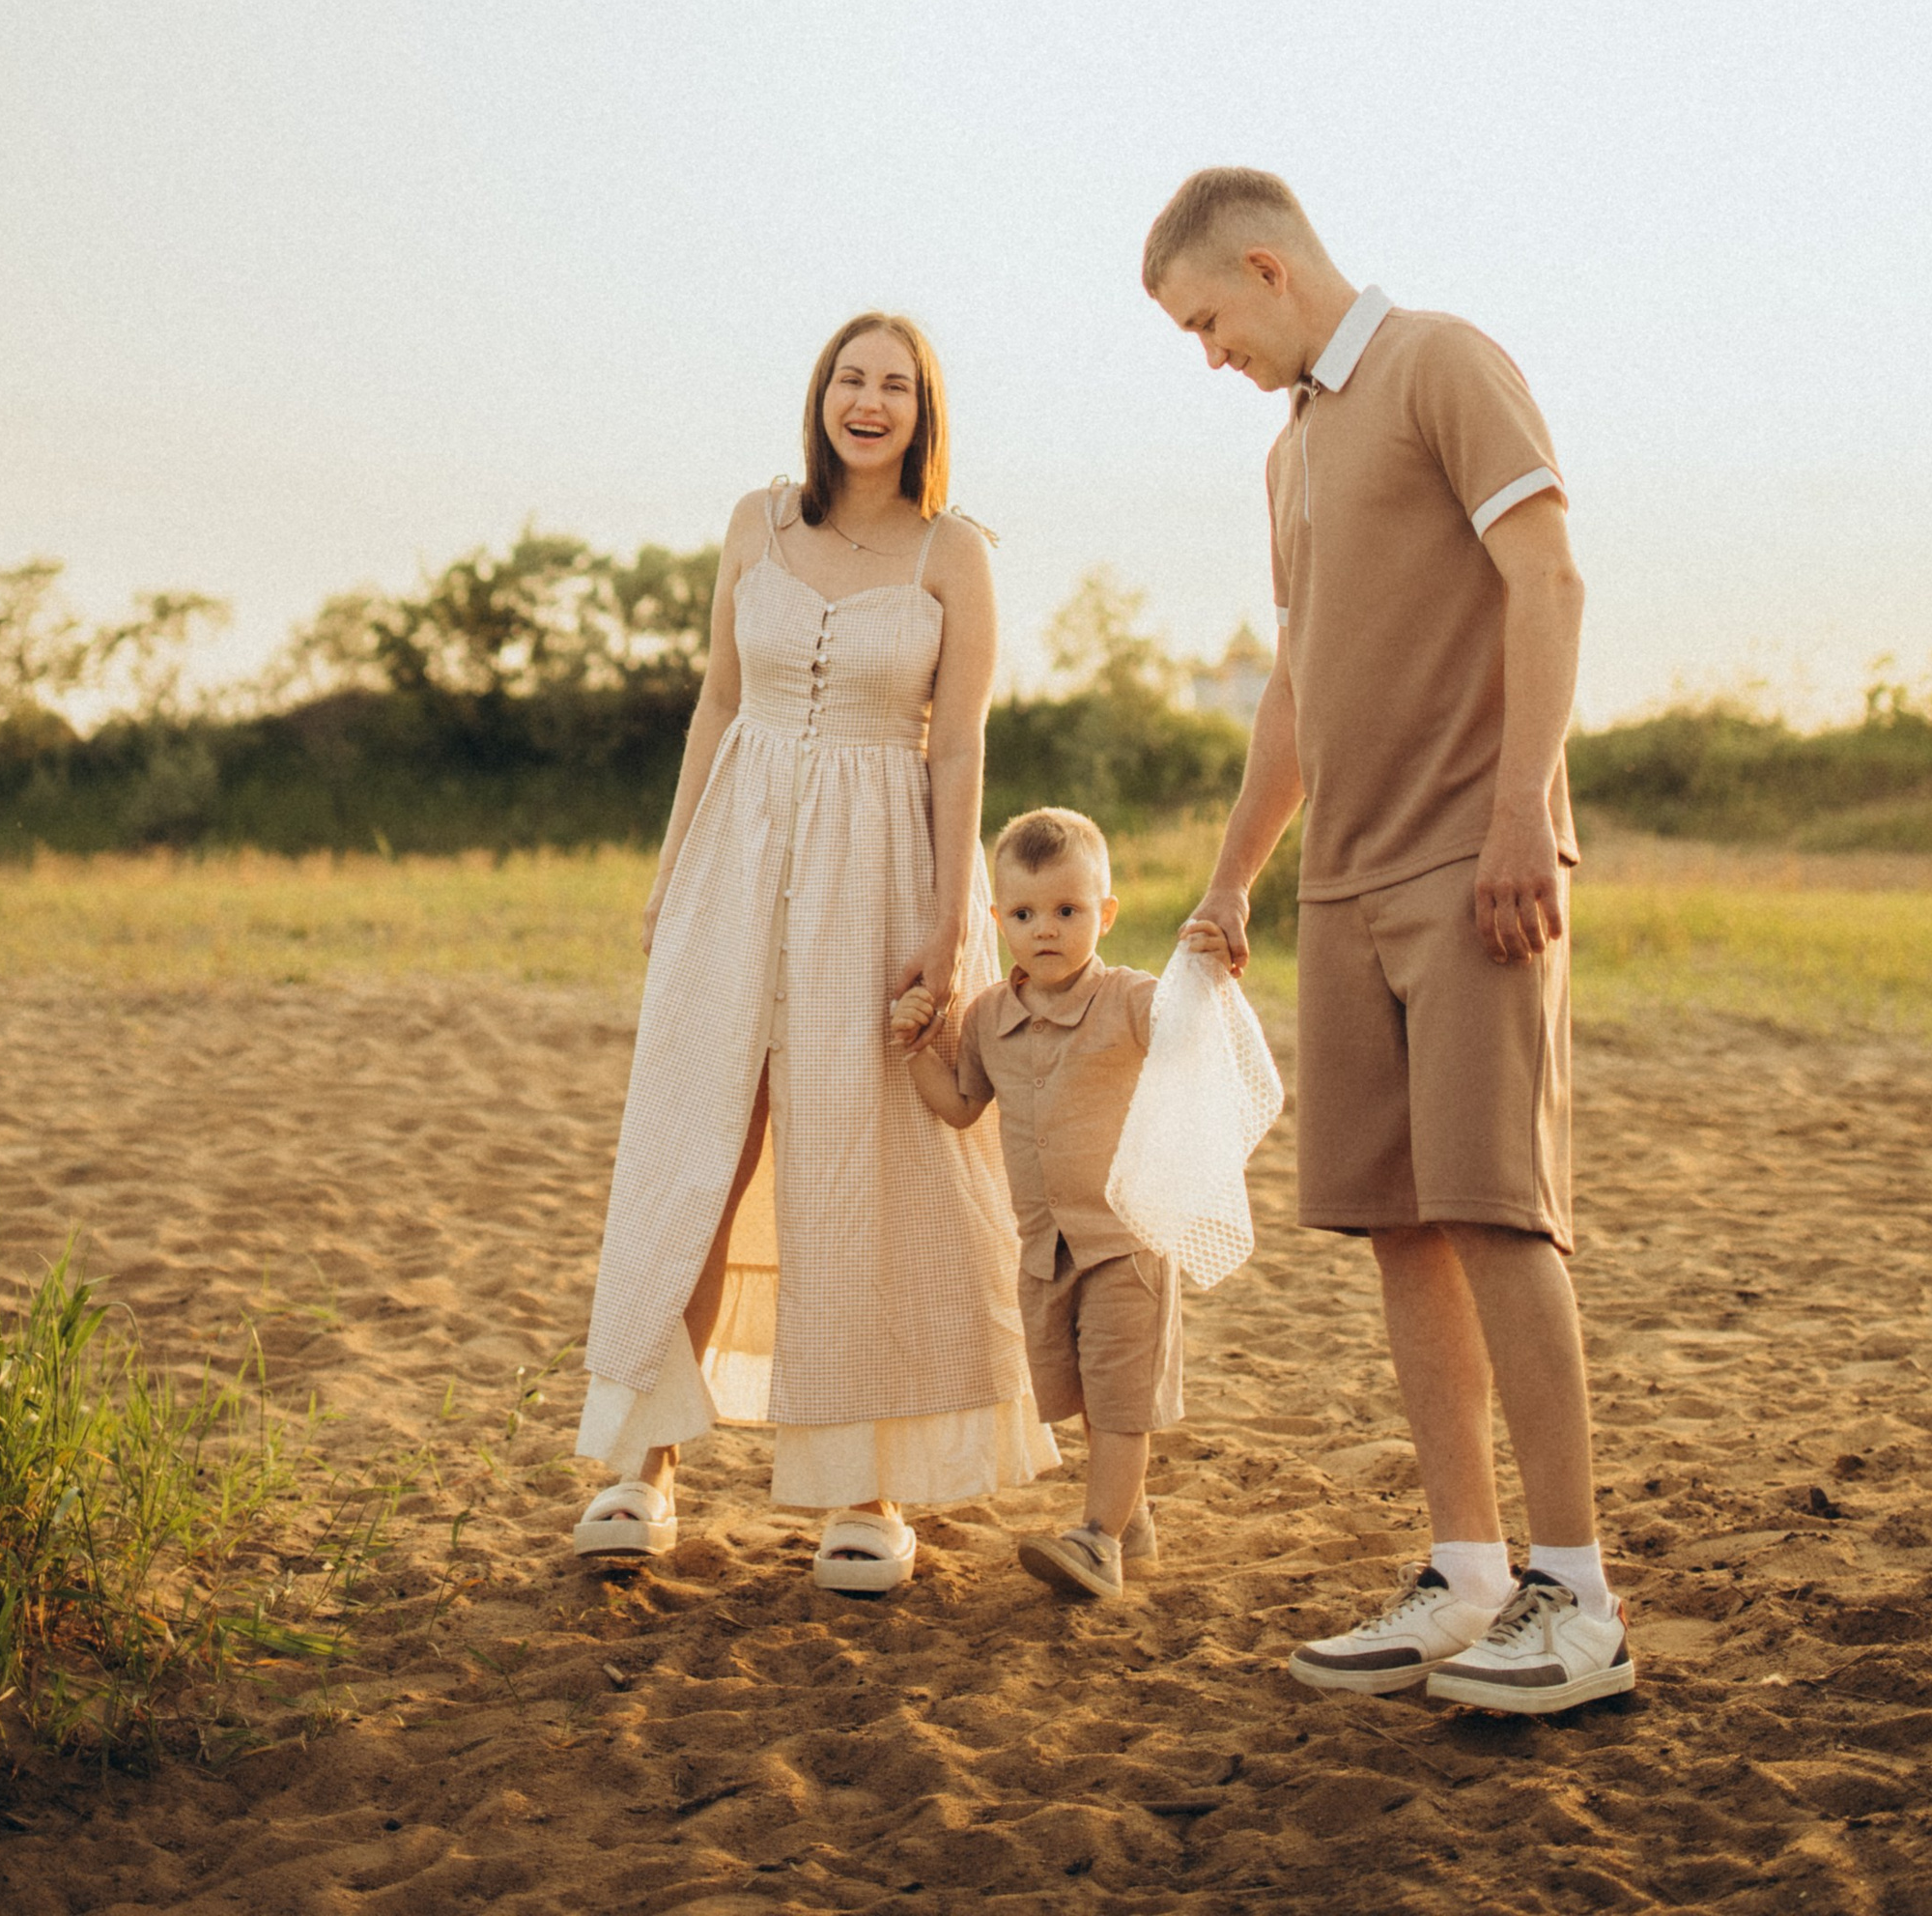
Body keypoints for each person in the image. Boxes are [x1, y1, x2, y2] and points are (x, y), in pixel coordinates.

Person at [1144, 167, 1635, 1717]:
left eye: (1209, 319)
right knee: (1402, 1228)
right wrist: (1236, 878)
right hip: (1345, 889)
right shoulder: (1288, 455)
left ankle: (1578, 1594)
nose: (1208, 355)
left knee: (1498, 1214)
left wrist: (1515, 818)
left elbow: (1548, 576)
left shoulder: (1444, 363)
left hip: (1470, 866)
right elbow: (1295, 680)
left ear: (1271, 269)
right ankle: (1469, 1572)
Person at [573, 310, 1053, 1593]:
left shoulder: (957, 552)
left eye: (896, 384)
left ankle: (867, 1489)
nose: (870, 401)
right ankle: (642, 1468)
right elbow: (718, 701)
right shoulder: (757, 524)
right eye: (852, 377)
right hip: (740, 844)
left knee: (864, 1155)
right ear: (822, 394)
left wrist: (952, 919)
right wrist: (674, 874)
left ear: (923, 410)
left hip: (882, 858)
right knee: (700, 1144)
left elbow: (957, 747)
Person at [892, 804, 1180, 1600]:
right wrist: (910, 1044)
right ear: (997, 920)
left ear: (1104, 914)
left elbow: (1191, 1039)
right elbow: (957, 1105)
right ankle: (1132, 1514)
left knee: (1122, 1398)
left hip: (1126, 1240)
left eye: (1067, 911)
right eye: (1023, 914)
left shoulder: (1131, 999)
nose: (1045, 930)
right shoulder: (988, 1017)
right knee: (1083, 1390)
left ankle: (1097, 1541)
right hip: (1046, 1247)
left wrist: (1207, 971)